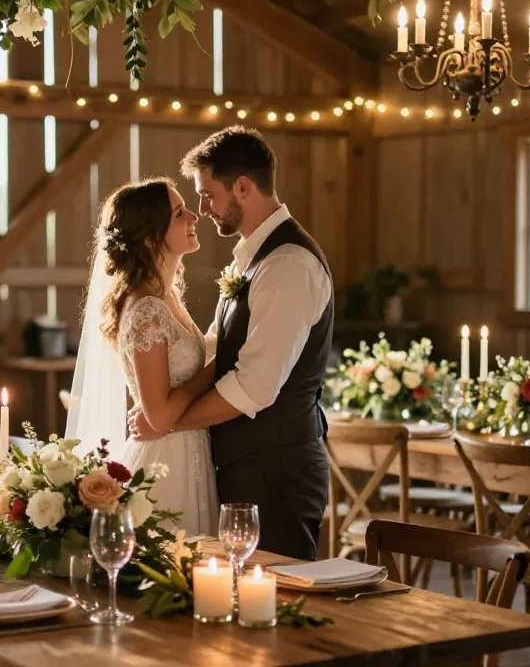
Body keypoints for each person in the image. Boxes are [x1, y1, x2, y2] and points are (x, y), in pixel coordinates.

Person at [129, 126, 333, 560]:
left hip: (277, 473)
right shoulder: (253, 258)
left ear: (242, 187)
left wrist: (167, 422)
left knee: (280, 601)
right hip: (244, 466)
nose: (202, 209)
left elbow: (253, 386)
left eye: (206, 195)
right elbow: (219, 352)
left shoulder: (288, 265)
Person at [65, 178, 219, 535]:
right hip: (165, 463)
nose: (193, 216)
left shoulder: (167, 297)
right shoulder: (146, 309)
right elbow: (160, 414)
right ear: (151, 237)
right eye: (180, 213)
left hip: (189, 453)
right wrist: (215, 369)